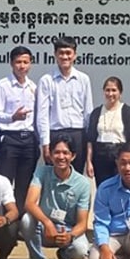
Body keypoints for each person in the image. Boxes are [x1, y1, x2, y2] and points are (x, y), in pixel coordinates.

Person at [21, 134, 91, 259]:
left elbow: (82, 224)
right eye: (57, 152)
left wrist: (70, 236)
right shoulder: (42, 172)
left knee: (81, 250)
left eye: (65, 153)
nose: (61, 157)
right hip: (44, 227)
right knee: (26, 220)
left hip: (67, 229)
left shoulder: (83, 183)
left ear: (73, 156)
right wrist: (47, 223)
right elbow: (29, 203)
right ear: (50, 155)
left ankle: (64, 256)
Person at [0, 46, 39, 216]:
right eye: (18, 62)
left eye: (25, 62)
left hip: (29, 141)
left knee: (24, 184)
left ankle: (18, 221)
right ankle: (4, 220)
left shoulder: (34, 87)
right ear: (12, 63)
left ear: (30, 64)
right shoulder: (2, 86)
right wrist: (13, 117)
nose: (22, 66)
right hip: (10, 140)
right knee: (4, 183)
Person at [36, 36, 93, 173]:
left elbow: (88, 112)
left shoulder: (83, 79)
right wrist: (45, 144)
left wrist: (88, 143)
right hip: (55, 133)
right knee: (54, 177)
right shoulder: (46, 80)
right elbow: (42, 114)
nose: (65, 57)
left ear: (75, 55)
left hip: (78, 134)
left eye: (68, 53)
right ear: (55, 54)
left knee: (76, 176)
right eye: (61, 53)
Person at [85, 76, 130, 187]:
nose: (110, 93)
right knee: (103, 187)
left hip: (120, 154)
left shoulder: (127, 111)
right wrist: (89, 161)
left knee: (120, 187)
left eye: (114, 90)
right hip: (100, 156)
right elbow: (90, 139)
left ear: (120, 92)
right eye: (107, 90)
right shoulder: (97, 112)